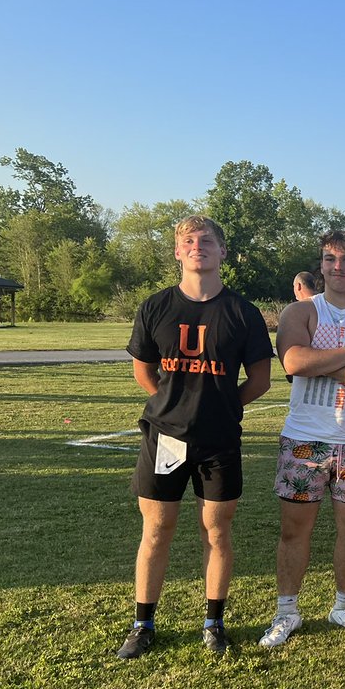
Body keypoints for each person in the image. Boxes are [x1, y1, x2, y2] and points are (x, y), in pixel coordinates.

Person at [117, 215, 273, 659]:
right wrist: (174, 406)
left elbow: (260, 380)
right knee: (156, 530)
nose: (197, 246)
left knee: (217, 532)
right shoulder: (155, 306)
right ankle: (143, 624)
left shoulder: (243, 312)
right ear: (177, 251)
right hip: (164, 437)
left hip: (219, 441)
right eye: (188, 240)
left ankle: (213, 622)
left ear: (223, 252)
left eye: (207, 240)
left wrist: (219, 408)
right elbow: (143, 370)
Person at [259, 229, 345, 647]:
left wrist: (320, 364)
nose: (337, 267)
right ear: (321, 264)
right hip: (305, 439)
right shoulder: (299, 312)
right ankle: (286, 612)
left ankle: (344, 606)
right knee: (293, 531)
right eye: (329, 258)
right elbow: (294, 361)